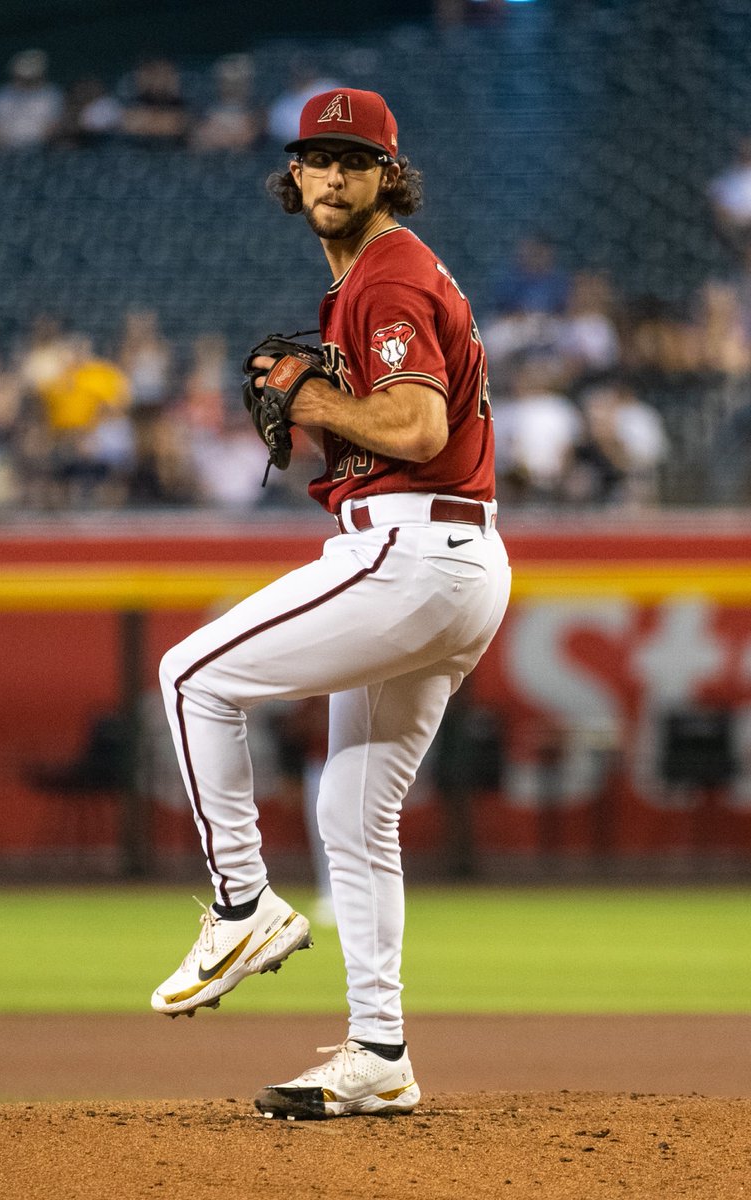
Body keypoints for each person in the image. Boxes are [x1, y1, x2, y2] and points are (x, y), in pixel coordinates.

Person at [151, 88, 511, 1120]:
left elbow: (411, 422)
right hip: (452, 555)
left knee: (190, 677)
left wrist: (306, 400)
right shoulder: (369, 280)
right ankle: (379, 1052)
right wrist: (321, 406)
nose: (334, 175)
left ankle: (240, 906)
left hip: (411, 547)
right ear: (295, 173)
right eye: (318, 158)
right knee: (353, 814)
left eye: (356, 160)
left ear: (387, 176)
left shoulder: (388, 272)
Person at [0, 49, 63, 149]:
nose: (23, 81)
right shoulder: (1, 95)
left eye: (29, 78)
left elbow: (52, 130)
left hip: (41, 150)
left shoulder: (52, 95)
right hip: (6, 152)